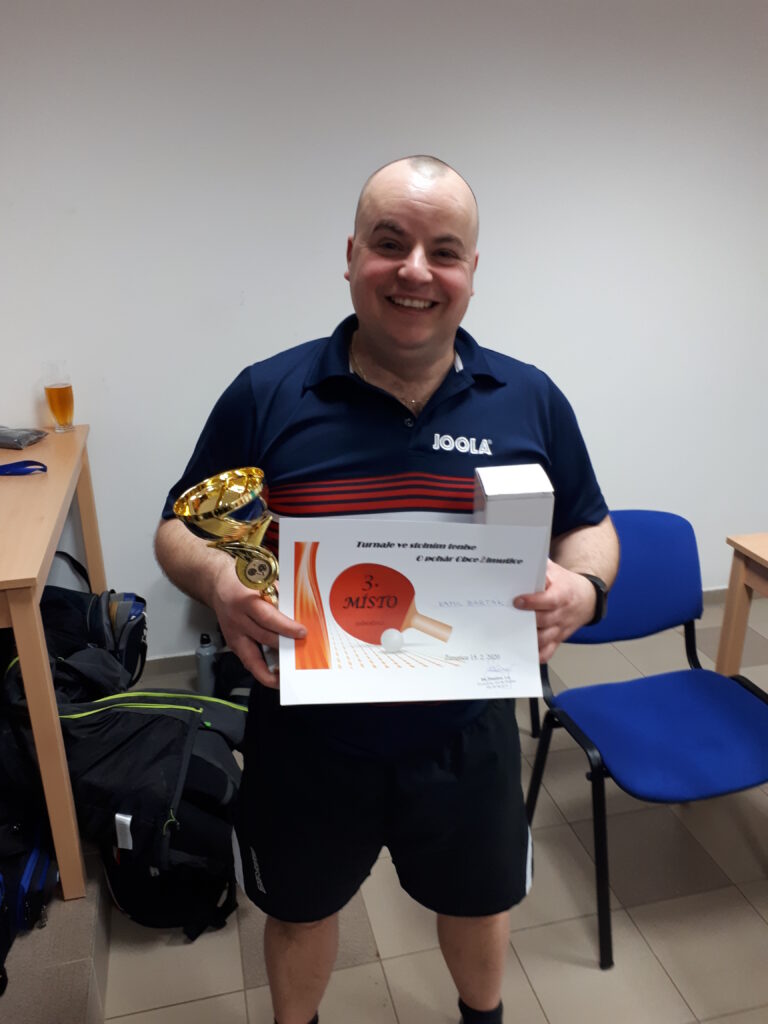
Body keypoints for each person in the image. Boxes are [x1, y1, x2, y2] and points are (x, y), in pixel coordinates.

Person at [155, 155, 619, 1024]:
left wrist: (585, 588)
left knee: (479, 904)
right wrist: (217, 576)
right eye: (390, 242)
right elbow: (179, 526)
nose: (415, 271)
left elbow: (590, 523)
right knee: (299, 912)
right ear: (350, 256)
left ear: (472, 270)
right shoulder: (268, 392)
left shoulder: (529, 398)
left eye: (444, 251)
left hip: (466, 728)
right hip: (306, 731)